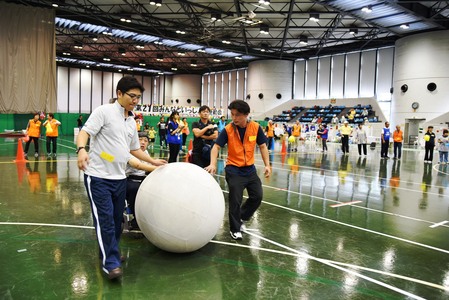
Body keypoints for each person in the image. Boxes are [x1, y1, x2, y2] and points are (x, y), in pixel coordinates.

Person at [76, 76, 167, 280]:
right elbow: (85, 133)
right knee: (106, 220)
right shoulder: (104, 112)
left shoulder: (131, 121)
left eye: (138, 97)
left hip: (119, 179)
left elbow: (134, 149)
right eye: (132, 96)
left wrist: (153, 161)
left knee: (117, 221)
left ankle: (109, 252)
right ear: (119, 94)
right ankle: (110, 263)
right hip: (98, 177)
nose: (135, 100)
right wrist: (81, 150)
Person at [205, 100, 271, 241]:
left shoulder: (255, 127)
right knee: (235, 199)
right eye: (232, 114)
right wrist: (212, 163)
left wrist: (267, 165)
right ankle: (235, 229)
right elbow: (216, 147)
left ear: (246, 115)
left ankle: (241, 216)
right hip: (233, 169)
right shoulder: (228, 129)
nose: (234, 118)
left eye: (238, 115)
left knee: (257, 196)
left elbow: (263, 146)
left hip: (250, 170)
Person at [125, 131, 159, 231]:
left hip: (143, 179)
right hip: (130, 179)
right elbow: (137, 165)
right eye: (140, 140)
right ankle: (137, 219)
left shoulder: (146, 153)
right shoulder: (129, 152)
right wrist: (155, 167)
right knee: (135, 189)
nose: (143, 142)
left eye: (145, 141)